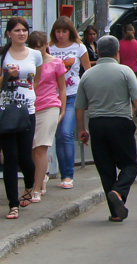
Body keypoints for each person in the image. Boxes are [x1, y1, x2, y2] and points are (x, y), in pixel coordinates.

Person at [76, 35, 137, 222]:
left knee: (105, 168)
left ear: (99, 52)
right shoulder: (125, 72)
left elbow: (79, 107)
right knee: (129, 165)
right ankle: (118, 192)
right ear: (117, 51)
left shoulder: (87, 75)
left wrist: (82, 130)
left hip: (97, 124)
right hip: (120, 122)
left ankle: (116, 212)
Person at [0, 17, 41, 219]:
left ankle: (29, 185)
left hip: (28, 110)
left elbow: (37, 78)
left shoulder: (35, 54)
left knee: (26, 157)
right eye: (16, 30)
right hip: (6, 111)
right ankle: (13, 204)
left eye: (24, 30)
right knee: (11, 159)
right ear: (9, 33)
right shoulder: (3, 55)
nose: (21, 33)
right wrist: (7, 74)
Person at [47, 16, 90, 190]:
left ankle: (68, 175)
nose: (61, 35)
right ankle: (61, 172)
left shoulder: (79, 47)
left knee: (66, 133)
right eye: (58, 31)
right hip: (53, 96)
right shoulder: (49, 47)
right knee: (57, 136)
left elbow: (87, 71)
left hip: (73, 94)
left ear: (70, 32)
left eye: (64, 31)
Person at [27, 31, 65, 204]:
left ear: (45, 45)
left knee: (41, 147)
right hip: (30, 107)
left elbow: (62, 88)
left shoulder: (56, 63)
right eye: (33, 47)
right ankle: (41, 178)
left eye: (40, 47)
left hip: (49, 105)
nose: (37, 50)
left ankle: (36, 189)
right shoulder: (27, 63)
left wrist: (62, 110)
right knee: (33, 148)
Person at [118, 24, 137, 91]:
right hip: (135, 72)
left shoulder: (119, 44)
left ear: (123, 32)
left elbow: (117, 60)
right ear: (134, 32)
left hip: (123, 73)